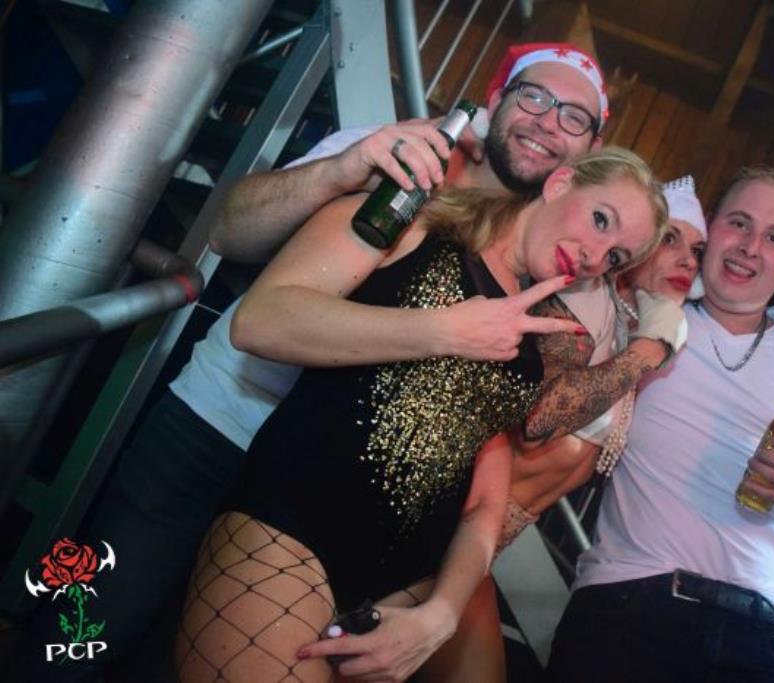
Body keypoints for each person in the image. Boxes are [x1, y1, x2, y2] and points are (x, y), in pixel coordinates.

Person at [8, 43, 615, 683]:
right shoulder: (400, 153)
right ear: (496, 100)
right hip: (217, 429)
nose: (549, 122)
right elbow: (229, 230)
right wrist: (341, 170)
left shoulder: (548, 260)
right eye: (534, 96)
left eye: (574, 117)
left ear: (586, 152)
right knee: (80, 637)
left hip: (324, 505)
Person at [174, 146, 668, 683]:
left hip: (412, 583)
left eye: (616, 257)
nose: (596, 256)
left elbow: (485, 502)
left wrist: (443, 614)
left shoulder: (527, 331)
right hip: (293, 532)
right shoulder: (417, 221)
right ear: (560, 183)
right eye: (600, 220)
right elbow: (260, 320)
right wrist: (448, 331)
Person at [544, 166, 774, 683]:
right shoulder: (642, 320)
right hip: (627, 602)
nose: (749, 248)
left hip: (756, 630)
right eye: (739, 223)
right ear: (710, 228)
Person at [400, 175, 708, 683]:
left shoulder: (628, 321)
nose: (687, 260)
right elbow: (539, 418)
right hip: (442, 526)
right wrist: (651, 349)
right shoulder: (582, 302)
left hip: (477, 547)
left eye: (696, 250)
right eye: (669, 239)